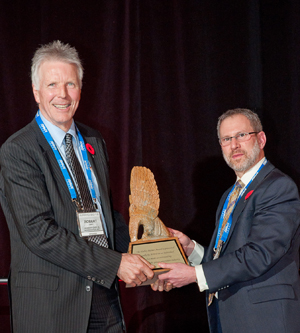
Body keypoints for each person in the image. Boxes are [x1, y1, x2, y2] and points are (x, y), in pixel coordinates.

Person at [0, 40, 159, 333]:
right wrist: (115, 264)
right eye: (52, 85)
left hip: (101, 295)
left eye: (70, 84)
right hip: (52, 304)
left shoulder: (93, 141)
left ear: (81, 90)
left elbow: (106, 216)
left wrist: (148, 262)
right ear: (36, 92)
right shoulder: (19, 150)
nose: (62, 94)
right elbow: (38, 233)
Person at [158, 108, 300, 333]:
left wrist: (195, 275)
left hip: (265, 320)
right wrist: (191, 249)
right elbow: (225, 257)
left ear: (261, 139)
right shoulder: (230, 195)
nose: (234, 145)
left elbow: (258, 254)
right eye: (226, 139)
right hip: (229, 318)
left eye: (242, 135)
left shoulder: (278, 187)